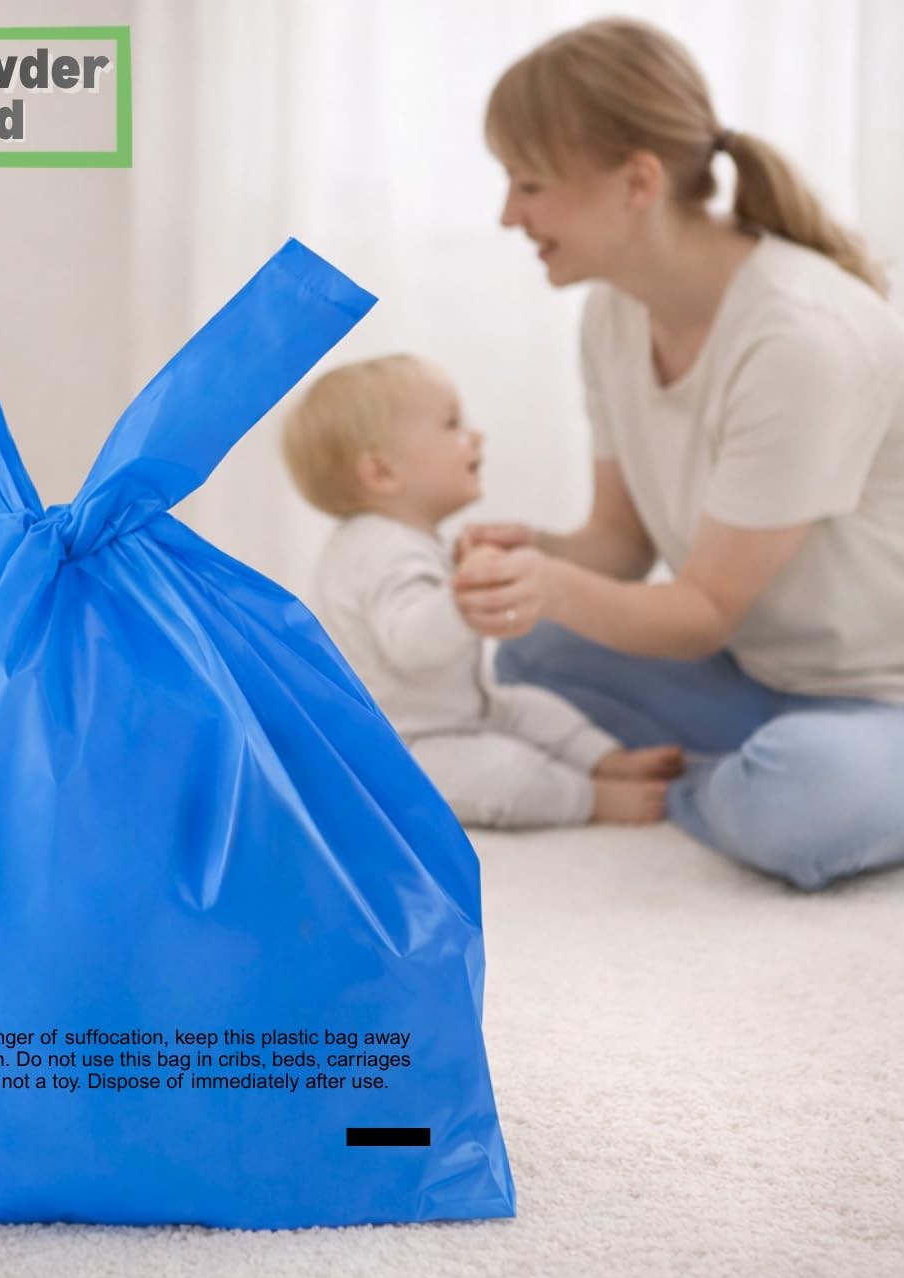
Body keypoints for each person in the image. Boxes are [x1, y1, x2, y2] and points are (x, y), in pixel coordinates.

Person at [455, 17, 904, 890]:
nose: (509, 215)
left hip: (881, 690)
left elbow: (701, 610)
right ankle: (750, 771)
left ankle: (752, 784)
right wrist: (533, 556)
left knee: (795, 800)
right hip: (754, 672)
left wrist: (550, 584)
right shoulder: (614, 312)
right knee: (530, 649)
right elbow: (620, 545)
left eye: (529, 184)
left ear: (637, 181)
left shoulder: (797, 337)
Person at [281, 352, 683, 829]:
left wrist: (460, 571)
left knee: (534, 707)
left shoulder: (400, 540)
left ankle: (609, 762)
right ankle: (592, 798)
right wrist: (461, 598)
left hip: (462, 710)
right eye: (452, 424)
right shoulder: (380, 549)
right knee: (507, 773)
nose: (475, 436)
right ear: (382, 473)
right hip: (404, 747)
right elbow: (409, 641)